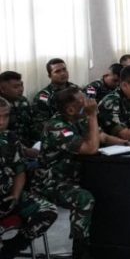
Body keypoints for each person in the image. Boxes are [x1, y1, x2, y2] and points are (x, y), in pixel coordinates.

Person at [33, 87, 130, 259]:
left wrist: (127, 143)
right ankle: (80, 250)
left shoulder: (80, 119)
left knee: (112, 190)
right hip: (52, 181)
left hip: (78, 176)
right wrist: (92, 115)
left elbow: (103, 137)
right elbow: (91, 148)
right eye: (83, 100)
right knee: (84, 199)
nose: (89, 102)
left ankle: (108, 244)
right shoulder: (56, 127)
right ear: (70, 109)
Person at [0, 97, 57, 259]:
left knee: (48, 211)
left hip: (8, 198)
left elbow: (19, 170)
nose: (2, 121)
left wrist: (16, 195)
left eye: (5, 116)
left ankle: (12, 247)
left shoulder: (10, 138)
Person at [31, 58, 78, 144]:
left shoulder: (76, 89)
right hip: (57, 135)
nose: (63, 73)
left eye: (64, 69)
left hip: (78, 129)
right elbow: (41, 124)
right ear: (50, 76)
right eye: (57, 71)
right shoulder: (43, 97)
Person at [0, 71, 35, 147]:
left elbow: (31, 125)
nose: (21, 89)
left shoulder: (23, 101)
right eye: (16, 87)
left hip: (28, 145)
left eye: (21, 85)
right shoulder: (1, 108)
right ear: (2, 89)